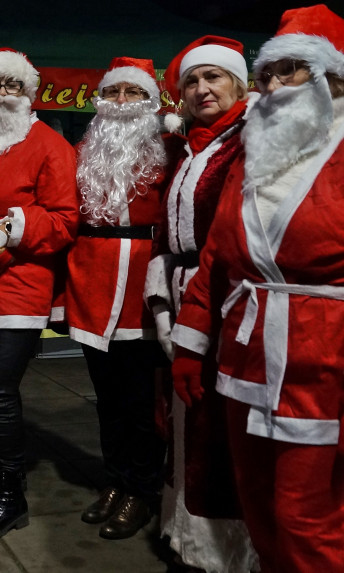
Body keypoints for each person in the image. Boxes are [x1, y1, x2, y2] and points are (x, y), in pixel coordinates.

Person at [171, 5, 344, 572]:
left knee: (308, 520)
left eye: (288, 70)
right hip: (244, 357)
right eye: (266, 72)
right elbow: (220, 253)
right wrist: (192, 343)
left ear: (330, 76)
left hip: (325, 364)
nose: (271, 86)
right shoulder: (255, 152)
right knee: (259, 510)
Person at [0, 47, 79, 540]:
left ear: (29, 94)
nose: (2, 95)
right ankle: (4, 472)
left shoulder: (50, 145)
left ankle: (12, 495)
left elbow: (66, 219)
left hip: (22, 286)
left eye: (12, 86)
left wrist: (13, 228)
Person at [145, 36, 257, 572]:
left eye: (213, 77)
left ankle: (226, 549)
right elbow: (170, 233)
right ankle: (186, 534)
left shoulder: (249, 139)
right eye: (192, 80)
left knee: (221, 423)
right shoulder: (191, 147)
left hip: (230, 299)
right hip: (182, 292)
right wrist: (163, 298)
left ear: (238, 83)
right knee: (183, 418)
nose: (201, 88)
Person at [60, 57, 171, 540]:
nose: (123, 102)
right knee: (106, 397)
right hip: (92, 280)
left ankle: (143, 491)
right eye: (115, 93)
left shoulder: (170, 147)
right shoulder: (83, 149)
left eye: (134, 93)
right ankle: (115, 479)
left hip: (142, 283)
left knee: (142, 400)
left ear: (151, 101)